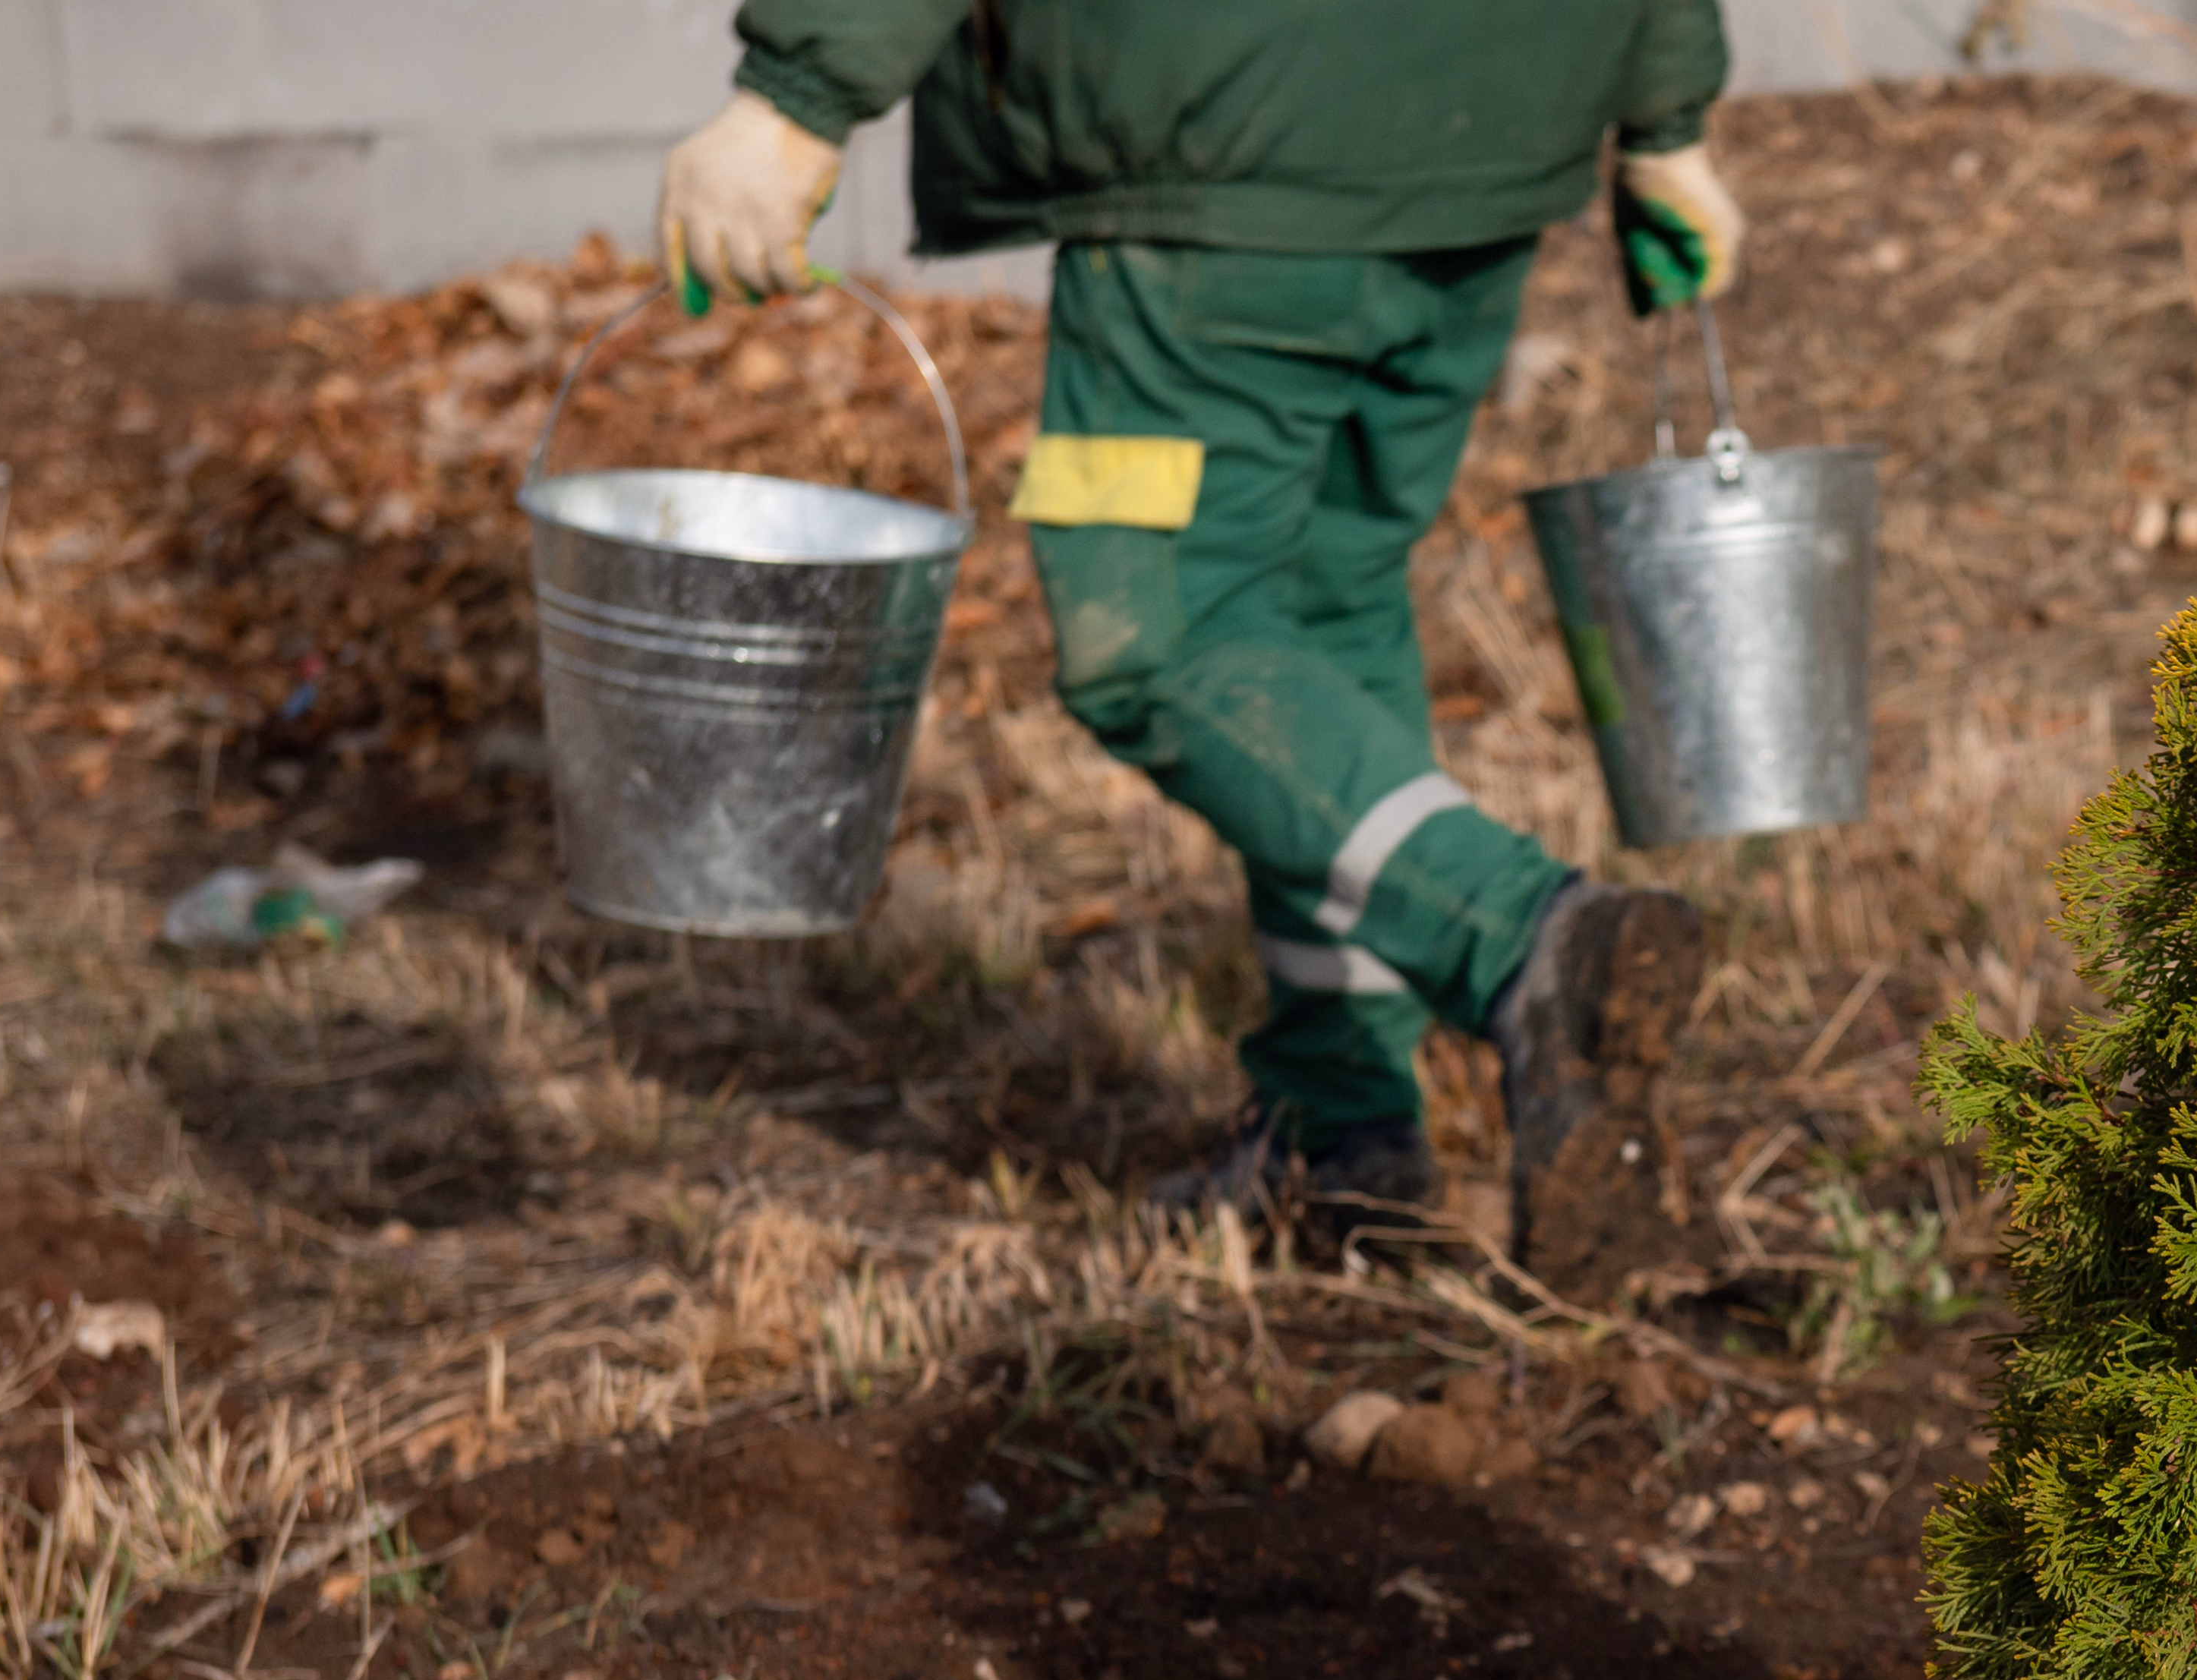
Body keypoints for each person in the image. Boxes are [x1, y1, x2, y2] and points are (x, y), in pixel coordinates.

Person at [653, 0, 1745, 1297]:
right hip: (1494, 134)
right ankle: (1343, 1123)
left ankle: (1523, 942)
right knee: (1322, 612)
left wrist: (796, 92)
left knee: (1154, 636)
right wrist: (1666, 114)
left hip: (1227, 151)